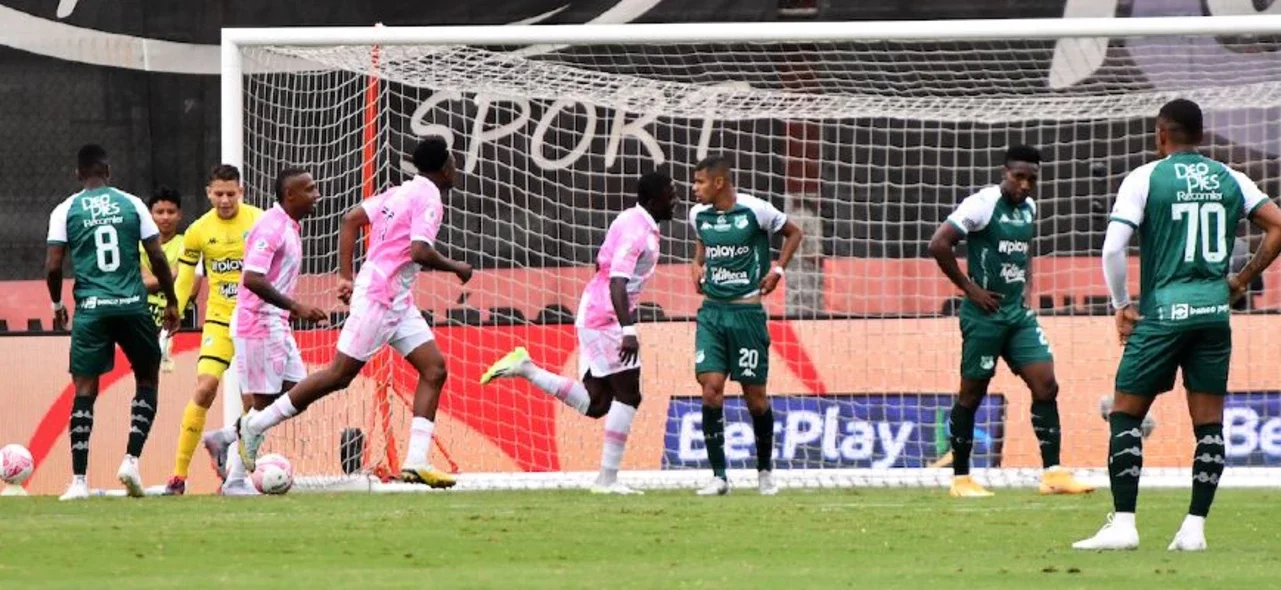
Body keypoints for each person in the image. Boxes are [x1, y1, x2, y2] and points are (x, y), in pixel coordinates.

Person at [1075, 98, 1281, 551]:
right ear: (1202, 137)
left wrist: (1121, 304)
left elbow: (1113, 248)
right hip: (1213, 314)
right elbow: (1278, 226)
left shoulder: (1146, 177)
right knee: (1209, 424)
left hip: (1164, 313)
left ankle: (1125, 524)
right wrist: (1241, 280)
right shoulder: (1232, 178)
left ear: (1160, 133)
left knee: (1126, 412)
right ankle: (1194, 529)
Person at [239, 137, 471, 488]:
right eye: (452, 162)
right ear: (444, 166)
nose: (455, 169)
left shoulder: (399, 192)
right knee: (339, 374)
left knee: (434, 369)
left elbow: (351, 220)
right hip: (379, 296)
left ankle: (417, 461)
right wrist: (457, 266)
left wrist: (346, 275)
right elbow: (420, 250)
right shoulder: (429, 198)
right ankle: (256, 424)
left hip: (396, 300)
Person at [480, 172, 678, 495]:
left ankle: (526, 369)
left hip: (595, 311)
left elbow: (602, 265)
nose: (675, 200)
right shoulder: (638, 232)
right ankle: (607, 480)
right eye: (671, 194)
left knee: (598, 403)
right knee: (629, 395)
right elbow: (617, 281)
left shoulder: (632, 220)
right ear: (654, 200)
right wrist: (627, 329)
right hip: (606, 317)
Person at [927, 145, 1094, 498]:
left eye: (1032, 178)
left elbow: (1022, 257)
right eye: (1018, 177)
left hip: (1017, 315)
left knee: (1046, 385)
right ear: (1005, 174)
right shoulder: (982, 205)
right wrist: (970, 289)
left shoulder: (1029, 208)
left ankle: (1053, 474)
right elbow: (939, 244)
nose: (1025, 184)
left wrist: (1025, 292)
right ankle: (961, 479)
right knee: (972, 395)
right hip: (984, 315)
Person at [45, 144, 180, 500]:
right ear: (109, 171)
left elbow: (54, 265)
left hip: (91, 309)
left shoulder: (65, 210)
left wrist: (57, 303)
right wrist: (171, 300)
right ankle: (131, 461)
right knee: (147, 376)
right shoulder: (132, 203)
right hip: (133, 305)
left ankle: (78, 481)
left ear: (78, 174)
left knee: (85, 388)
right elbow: (157, 256)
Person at [688, 156, 804, 496]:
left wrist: (778, 270)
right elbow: (702, 246)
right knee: (710, 388)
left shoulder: (755, 210)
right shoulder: (698, 215)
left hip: (747, 314)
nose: (695, 189)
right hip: (711, 313)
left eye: (700, 183)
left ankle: (765, 471)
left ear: (719, 183)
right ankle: (719, 476)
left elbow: (794, 233)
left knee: (755, 399)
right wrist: (695, 265)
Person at [219, 168, 327, 495]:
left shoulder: (291, 226)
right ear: (290, 195)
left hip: (276, 323)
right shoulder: (272, 226)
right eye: (309, 189)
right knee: (264, 403)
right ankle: (235, 480)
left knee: (296, 388)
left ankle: (227, 436)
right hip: (259, 322)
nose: (317, 194)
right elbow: (252, 277)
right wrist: (296, 307)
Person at [163, 165, 264, 495]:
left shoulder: (259, 221)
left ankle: (235, 474)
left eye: (230, 194)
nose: (224, 200)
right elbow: (185, 277)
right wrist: (175, 309)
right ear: (208, 193)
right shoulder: (197, 231)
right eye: (218, 194)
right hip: (219, 322)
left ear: (242, 192)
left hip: (253, 322)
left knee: (252, 401)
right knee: (205, 387)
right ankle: (178, 476)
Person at [139, 186, 201, 370]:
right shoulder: (137, 245)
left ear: (179, 214)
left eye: (171, 212)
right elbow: (138, 286)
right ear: (150, 215)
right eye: (160, 212)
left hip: (180, 315)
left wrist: (154, 280)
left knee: (179, 369)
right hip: (145, 314)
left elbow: (191, 290)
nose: (165, 217)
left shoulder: (190, 243)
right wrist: (173, 274)